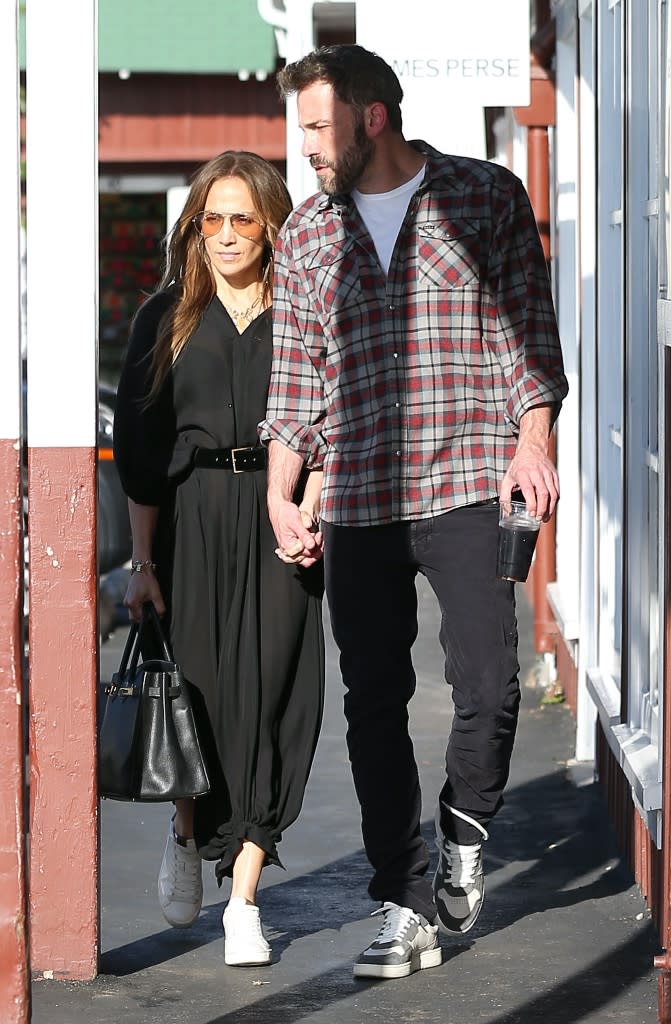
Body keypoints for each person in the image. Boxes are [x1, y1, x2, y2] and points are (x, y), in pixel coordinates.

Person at [258, 45, 569, 980]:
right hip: (357, 500)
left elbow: (528, 336)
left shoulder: (485, 198)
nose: (306, 145)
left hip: (468, 481)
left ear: (372, 117)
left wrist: (533, 439)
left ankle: (464, 837)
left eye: (317, 126)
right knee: (374, 706)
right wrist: (280, 491)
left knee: (488, 685)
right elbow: (295, 381)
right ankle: (403, 898)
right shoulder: (307, 234)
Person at [113, 150, 325, 968]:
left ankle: (244, 898)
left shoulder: (304, 314)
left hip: (280, 518)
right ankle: (186, 825)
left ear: (271, 226)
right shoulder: (163, 317)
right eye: (213, 218)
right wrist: (141, 561)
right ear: (193, 227)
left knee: (275, 697)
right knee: (196, 699)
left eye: (243, 218)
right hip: (191, 519)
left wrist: (308, 510)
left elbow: (335, 417)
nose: (227, 234)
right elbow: (140, 451)